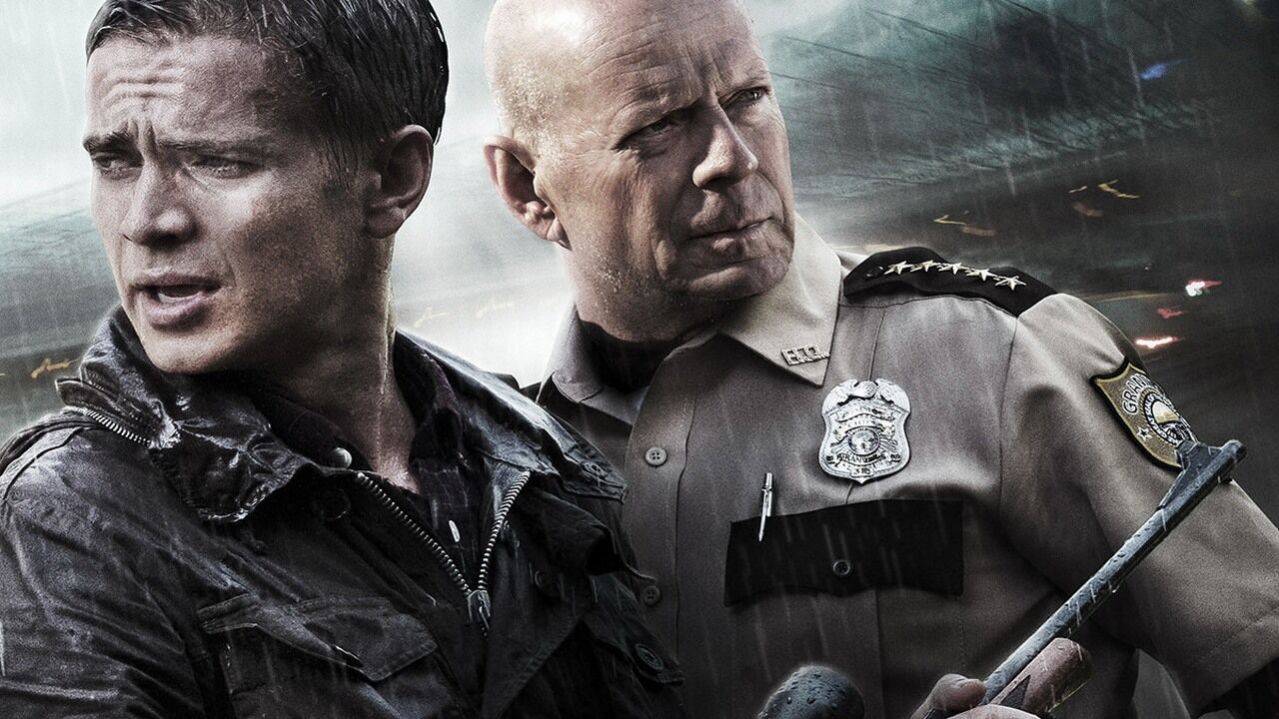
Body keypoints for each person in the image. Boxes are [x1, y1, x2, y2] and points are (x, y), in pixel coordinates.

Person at [480, 0, 1279, 717]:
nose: (733, 156)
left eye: (748, 96)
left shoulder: (995, 352)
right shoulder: (493, 467)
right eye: (656, 125)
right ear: (524, 186)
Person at [0, 1, 688, 717]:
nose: (146, 221)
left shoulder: (536, 454)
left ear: (392, 177)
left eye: (215, 161)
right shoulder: (73, 522)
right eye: (115, 163)